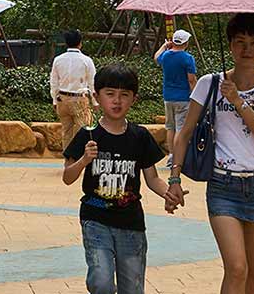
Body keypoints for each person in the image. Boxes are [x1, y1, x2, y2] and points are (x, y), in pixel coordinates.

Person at [167, 13, 254, 294]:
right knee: (236, 268)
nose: (247, 50)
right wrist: (174, 179)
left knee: (253, 277)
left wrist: (237, 100)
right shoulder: (210, 83)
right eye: (239, 42)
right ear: (230, 45)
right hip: (223, 186)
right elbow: (184, 133)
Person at [62, 65, 170, 294]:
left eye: (124, 95)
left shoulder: (140, 136)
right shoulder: (87, 135)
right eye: (110, 94)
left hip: (131, 224)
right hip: (95, 220)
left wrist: (169, 192)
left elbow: (152, 179)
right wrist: (83, 160)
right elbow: (67, 177)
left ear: (134, 99)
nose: (117, 101)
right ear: (97, 97)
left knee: (132, 288)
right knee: (101, 282)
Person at [153, 30, 198, 169]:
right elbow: (191, 80)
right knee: (180, 128)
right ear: (185, 42)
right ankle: (179, 157)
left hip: (168, 96)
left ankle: (171, 155)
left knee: (170, 127)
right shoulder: (187, 58)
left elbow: (156, 58)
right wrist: (196, 94)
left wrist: (165, 46)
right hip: (183, 98)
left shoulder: (166, 56)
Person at [50, 30, 97, 149]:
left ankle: (68, 160)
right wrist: (95, 102)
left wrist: (54, 100)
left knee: (66, 132)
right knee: (83, 132)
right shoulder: (87, 60)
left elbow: (54, 82)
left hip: (62, 98)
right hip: (80, 99)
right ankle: (79, 160)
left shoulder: (58, 59)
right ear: (80, 43)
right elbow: (92, 82)